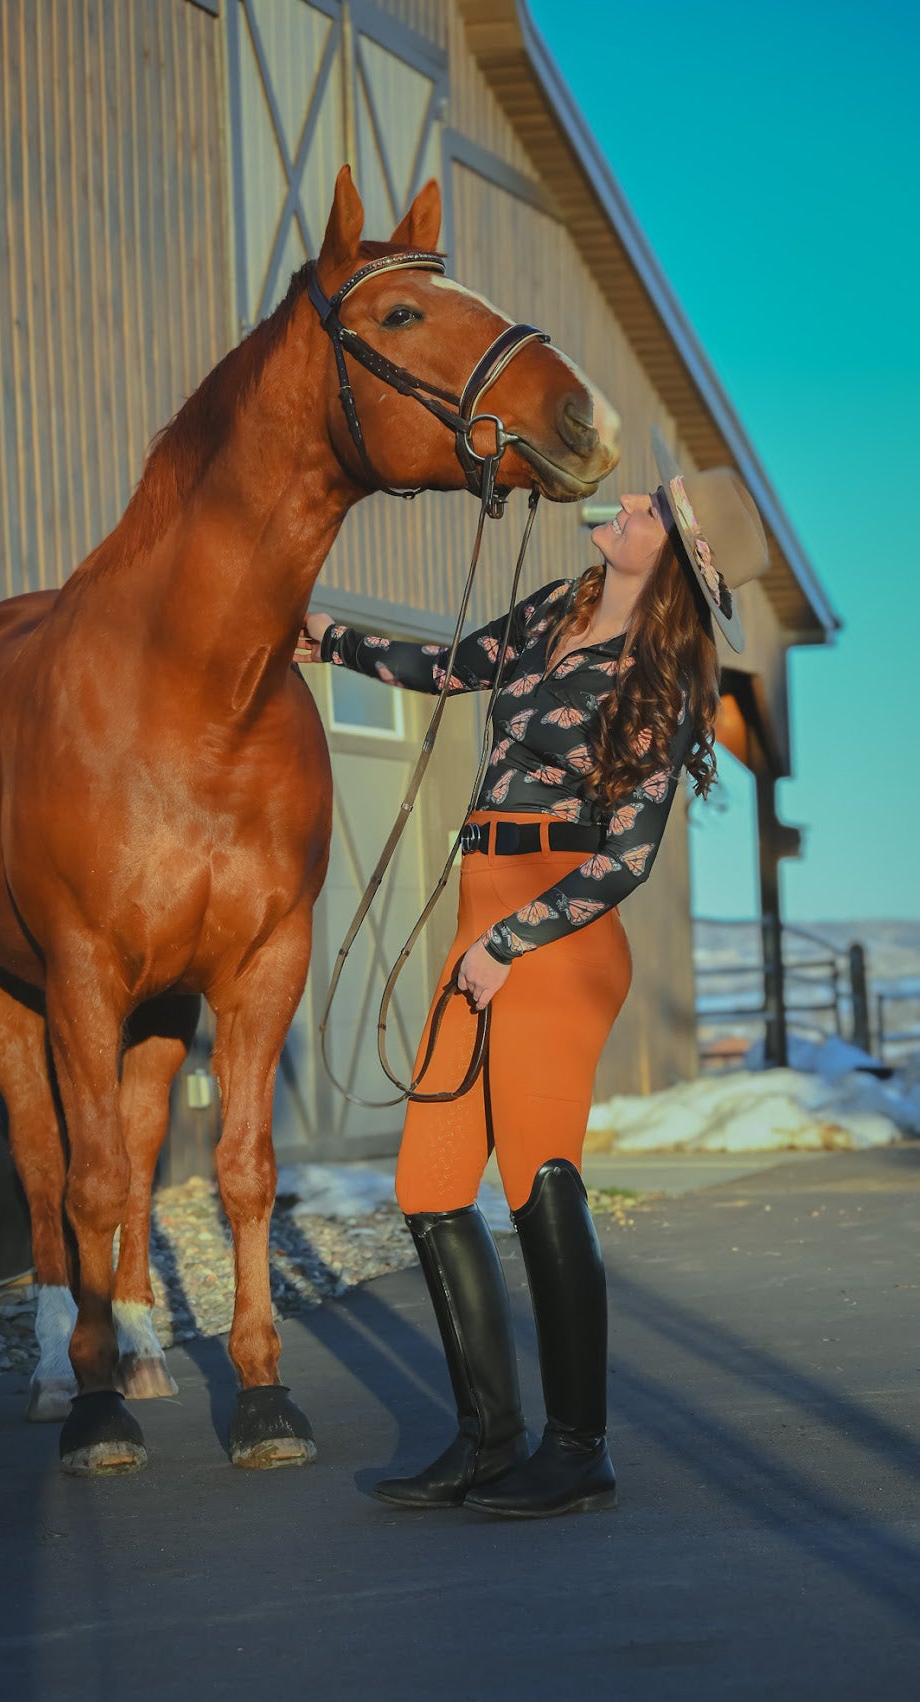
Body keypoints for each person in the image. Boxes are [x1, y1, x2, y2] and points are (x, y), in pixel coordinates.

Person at [294, 435, 769, 1519]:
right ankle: (488, 1438)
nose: (626, 507)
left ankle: (579, 1444)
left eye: (652, 511)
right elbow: (453, 665)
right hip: (481, 911)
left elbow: (628, 855)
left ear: (680, 566)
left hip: (556, 935)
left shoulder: (658, 679)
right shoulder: (558, 608)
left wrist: (510, 945)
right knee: (427, 1183)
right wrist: (328, 639)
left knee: (538, 1172)